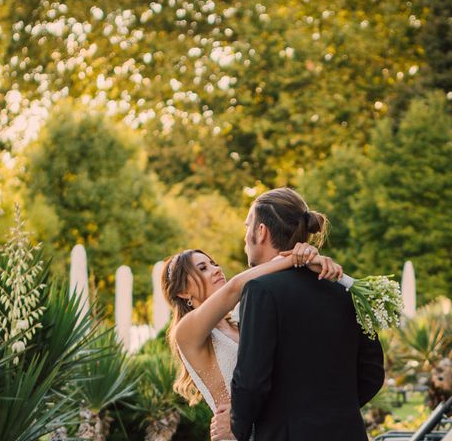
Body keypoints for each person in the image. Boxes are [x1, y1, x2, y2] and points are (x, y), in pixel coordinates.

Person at [210, 187, 385, 441]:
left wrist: (237, 428)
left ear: (261, 232)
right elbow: (372, 372)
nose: (245, 236)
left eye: (248, 226)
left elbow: (251, 381)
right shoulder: (344, 289)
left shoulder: (261, 290)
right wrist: (332, 412)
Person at [161, 243, 342, 428]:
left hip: (271, 428)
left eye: (213, 264)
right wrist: (295, 259)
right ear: (183, 292)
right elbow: (235, 287)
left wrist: (305, 255)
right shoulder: (186, 331)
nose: (216, 269)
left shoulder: (241, 323)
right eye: (203, 268)